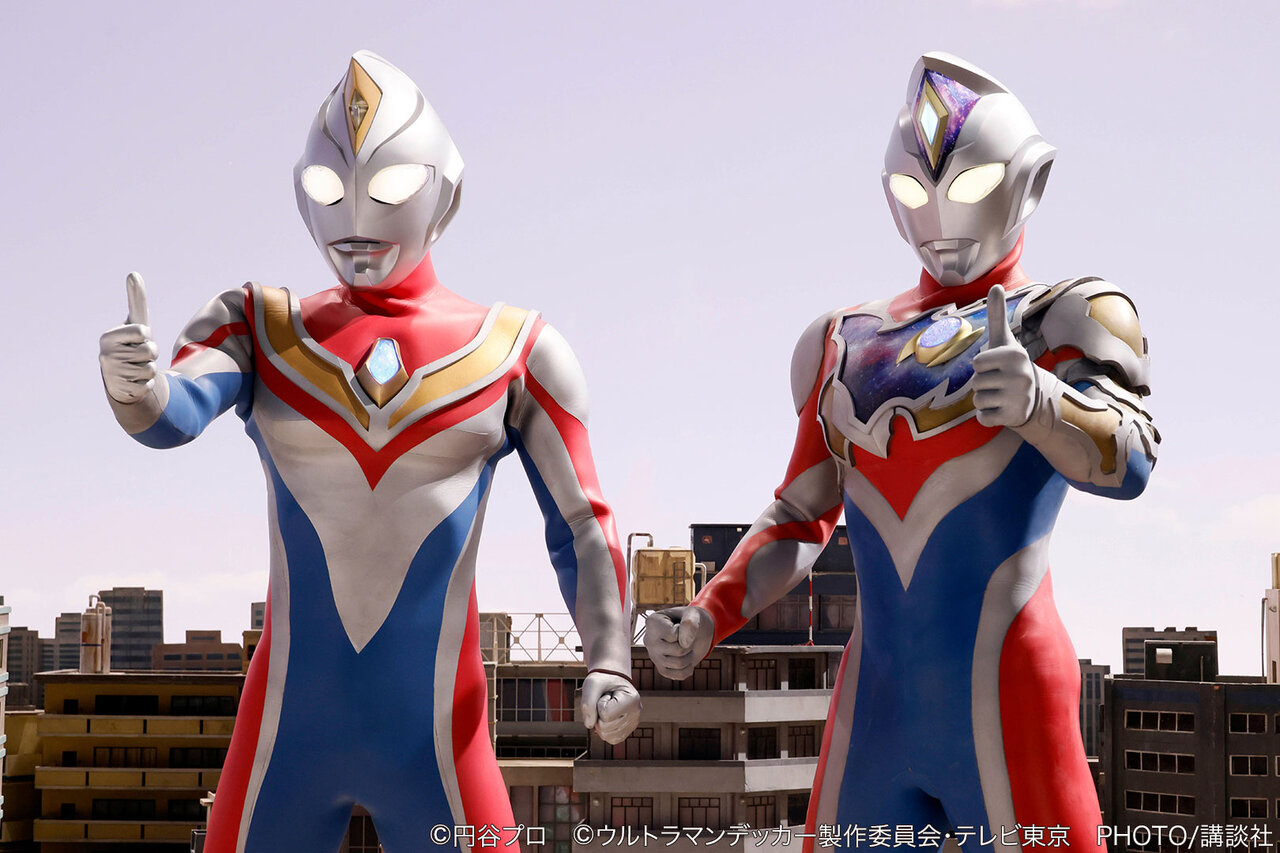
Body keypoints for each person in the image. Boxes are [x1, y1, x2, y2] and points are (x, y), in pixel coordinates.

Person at [99, 50, 640, 853]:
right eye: (329, 188)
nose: (355, 215)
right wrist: (137, 388)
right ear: (300, 194)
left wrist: (610, 658)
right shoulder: (257, 325)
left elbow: (582, 524)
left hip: (439, 739)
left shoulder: (516, 351)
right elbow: (175, 410)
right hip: (285, 734)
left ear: (445, 191)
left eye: (389, 185)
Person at [645, 52, 1156, 851]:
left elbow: (1132, 456)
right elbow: (799, 513)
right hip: (876, 704)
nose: (942, 216)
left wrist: (1042, 403)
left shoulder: (1066, 315)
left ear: (1029, 182)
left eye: (971, 185)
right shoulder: (842, 342)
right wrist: (711, 612)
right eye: (916, 193)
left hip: (1008, 694)